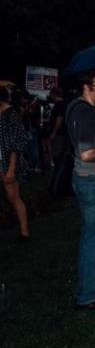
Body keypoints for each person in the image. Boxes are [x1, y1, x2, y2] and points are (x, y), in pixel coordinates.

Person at [66, 72, 95, 309]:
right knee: (94, 238)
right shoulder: (83, 111)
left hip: (89, 179)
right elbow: (86, 152)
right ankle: (87, 296)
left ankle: (90, 291)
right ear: (87, 86)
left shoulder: (85, 109)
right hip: (90, 181)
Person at [0, 87, 30, 241]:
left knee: (13, 196)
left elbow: (15, 145)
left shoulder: (11, 115)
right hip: (2, 161)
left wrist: (11, 169)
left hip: (8, 163)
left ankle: (24, 231)